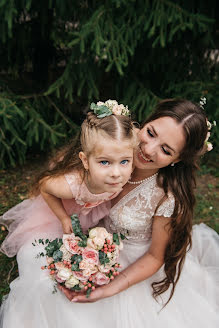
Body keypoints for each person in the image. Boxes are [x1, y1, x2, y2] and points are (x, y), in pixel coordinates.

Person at [1, 99, 219, 328]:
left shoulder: (166, 197)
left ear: (178, 160)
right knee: (42, 273)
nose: (148, 149)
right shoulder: (119, 142)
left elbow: (155, 257)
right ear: (143, 124)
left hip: (132, 264)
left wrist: (108, 289)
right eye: (151, 133)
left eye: (166, 150)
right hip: (92, 235)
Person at [0, 99, 137, 257]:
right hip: (65, 210)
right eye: (105, 162)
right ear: (85, 161)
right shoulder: (71, 185)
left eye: (124, 161)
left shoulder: (127, 161)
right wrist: (64, 218)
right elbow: (44, 186)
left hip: (90, 210)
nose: (116, 173)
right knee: (39, 252)